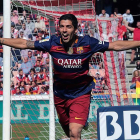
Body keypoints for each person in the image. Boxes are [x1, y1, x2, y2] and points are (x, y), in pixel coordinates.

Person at [1, 14, 140, 140]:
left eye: (68, 27)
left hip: (81, 93)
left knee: (74, 132)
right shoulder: (52, 43)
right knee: (69, 133)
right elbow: (25, 44)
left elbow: (115, 45)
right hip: (60, 94)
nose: (64, 30)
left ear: (75, 29)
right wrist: (1, 39)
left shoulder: (87, 43)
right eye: (62, 26)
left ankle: (78, 124)